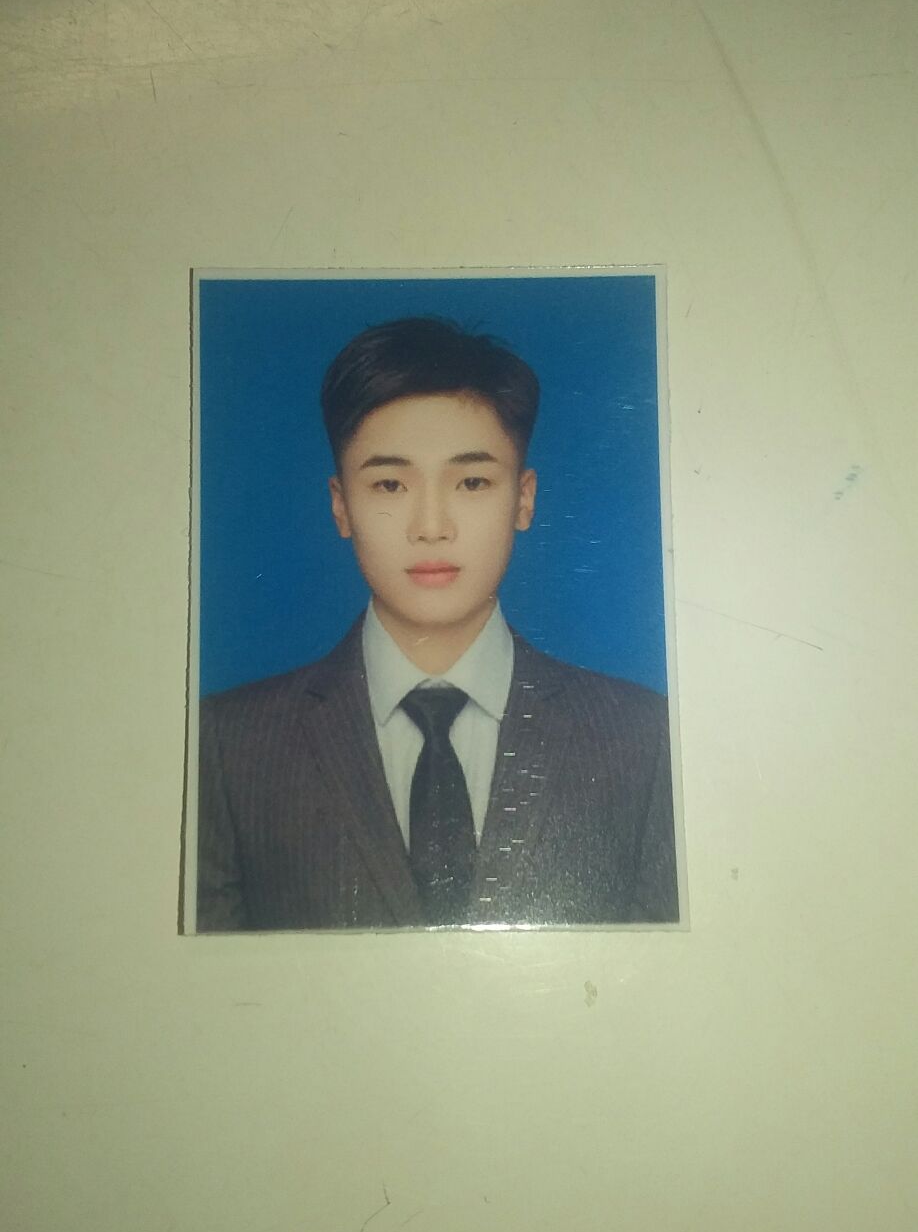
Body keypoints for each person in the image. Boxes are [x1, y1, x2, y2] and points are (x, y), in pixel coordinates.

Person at [195, 316, 678, 930]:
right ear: (341, 506)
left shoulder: (644, 739)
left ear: (523, 499)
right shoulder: (226, 746)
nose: (431, 527)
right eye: (389, 484)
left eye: (472, 481)